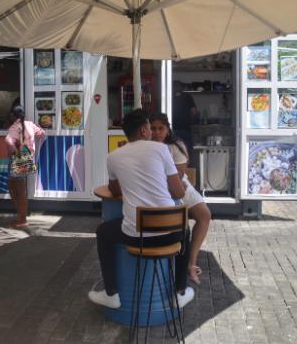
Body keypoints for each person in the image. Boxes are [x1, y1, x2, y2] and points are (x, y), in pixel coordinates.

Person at [88, 109, 195, 309]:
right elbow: (178, 193)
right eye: (149, 127)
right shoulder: (161, 150)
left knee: (103, 232)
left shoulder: (113, 156)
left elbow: (114, 189)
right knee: (185, 229)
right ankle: (180, 291)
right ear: (144, 131)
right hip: (171, 233)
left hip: (136, 237)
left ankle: (111, 293)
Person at [150, 113, 212, 285]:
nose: (156, 132)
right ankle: (178, 268)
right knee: (180, 225)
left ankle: (191, 263)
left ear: (167, 129)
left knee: (204, 215)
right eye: (153, 128)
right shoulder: (144, 147)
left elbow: (178, 177)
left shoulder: (176, 147)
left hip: (177, 185)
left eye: (160, 128)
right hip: (158, 188)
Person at [5, 105, 46, 229]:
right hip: (27, 158)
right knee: (16, 187)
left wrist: (14, 151)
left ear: (13, 115)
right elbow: (42, 133)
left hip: (18, 159)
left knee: (19, 190)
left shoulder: (14, 127)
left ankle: (22, 219)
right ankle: (21, 215)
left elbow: (8, 142)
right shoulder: (29, 124)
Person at [171, 81, 198, 155]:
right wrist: (190, 118)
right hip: (185, 128)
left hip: (173, 128)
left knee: (174, 151)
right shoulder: (187, 96)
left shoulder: (169, 96)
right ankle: (186, 164)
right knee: (187, 150)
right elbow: (194, 111)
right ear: (181, 88)